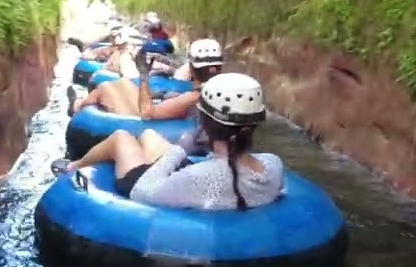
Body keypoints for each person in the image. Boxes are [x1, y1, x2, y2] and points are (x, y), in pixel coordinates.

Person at [62, 73, 284, 210]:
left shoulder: (198, 178)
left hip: (148, 184)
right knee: (149, 136)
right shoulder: (273, 164)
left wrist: (180, 149)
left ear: (205, 122)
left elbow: (143, 192)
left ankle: (72, 167)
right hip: (211, 177)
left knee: (121, 138)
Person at [66, 38, 225, 119]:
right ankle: (77, 103)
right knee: (123, 84)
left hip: (163, 134)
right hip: (177, 113)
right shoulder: (224, 90)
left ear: (191, 69)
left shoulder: (194, 96)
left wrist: (144, 77)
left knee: (106, 88)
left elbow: (146, 113)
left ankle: (76, 105)